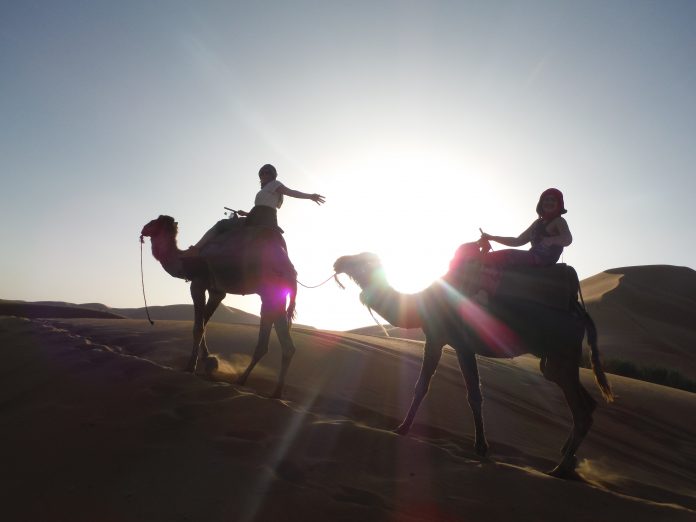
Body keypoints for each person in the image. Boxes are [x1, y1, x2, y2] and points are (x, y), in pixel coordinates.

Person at [182, 164, 325, 256]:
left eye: (265, 174)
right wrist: (246, 213)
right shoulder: (269, 190)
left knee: (221, 224)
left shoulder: (274, 184)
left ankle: (196, 248)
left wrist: (310, 196)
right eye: (262, 174)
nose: (263, 177)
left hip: (260, 220)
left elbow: (291, 191)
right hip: (261, 218)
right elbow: (263, 208)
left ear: (271, 175)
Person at [479, 187, 572, 268]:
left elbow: (567, 239)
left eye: (553, 200)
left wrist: (551, 240)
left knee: (506, 256)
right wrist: (492, 237)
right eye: (546, 199)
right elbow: (517, 241)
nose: (549, 202)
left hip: (542, 260)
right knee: (493, 259)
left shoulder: (559, 221)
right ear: (541, 203)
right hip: (531, 256)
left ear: (559, 204)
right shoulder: (537, 223)